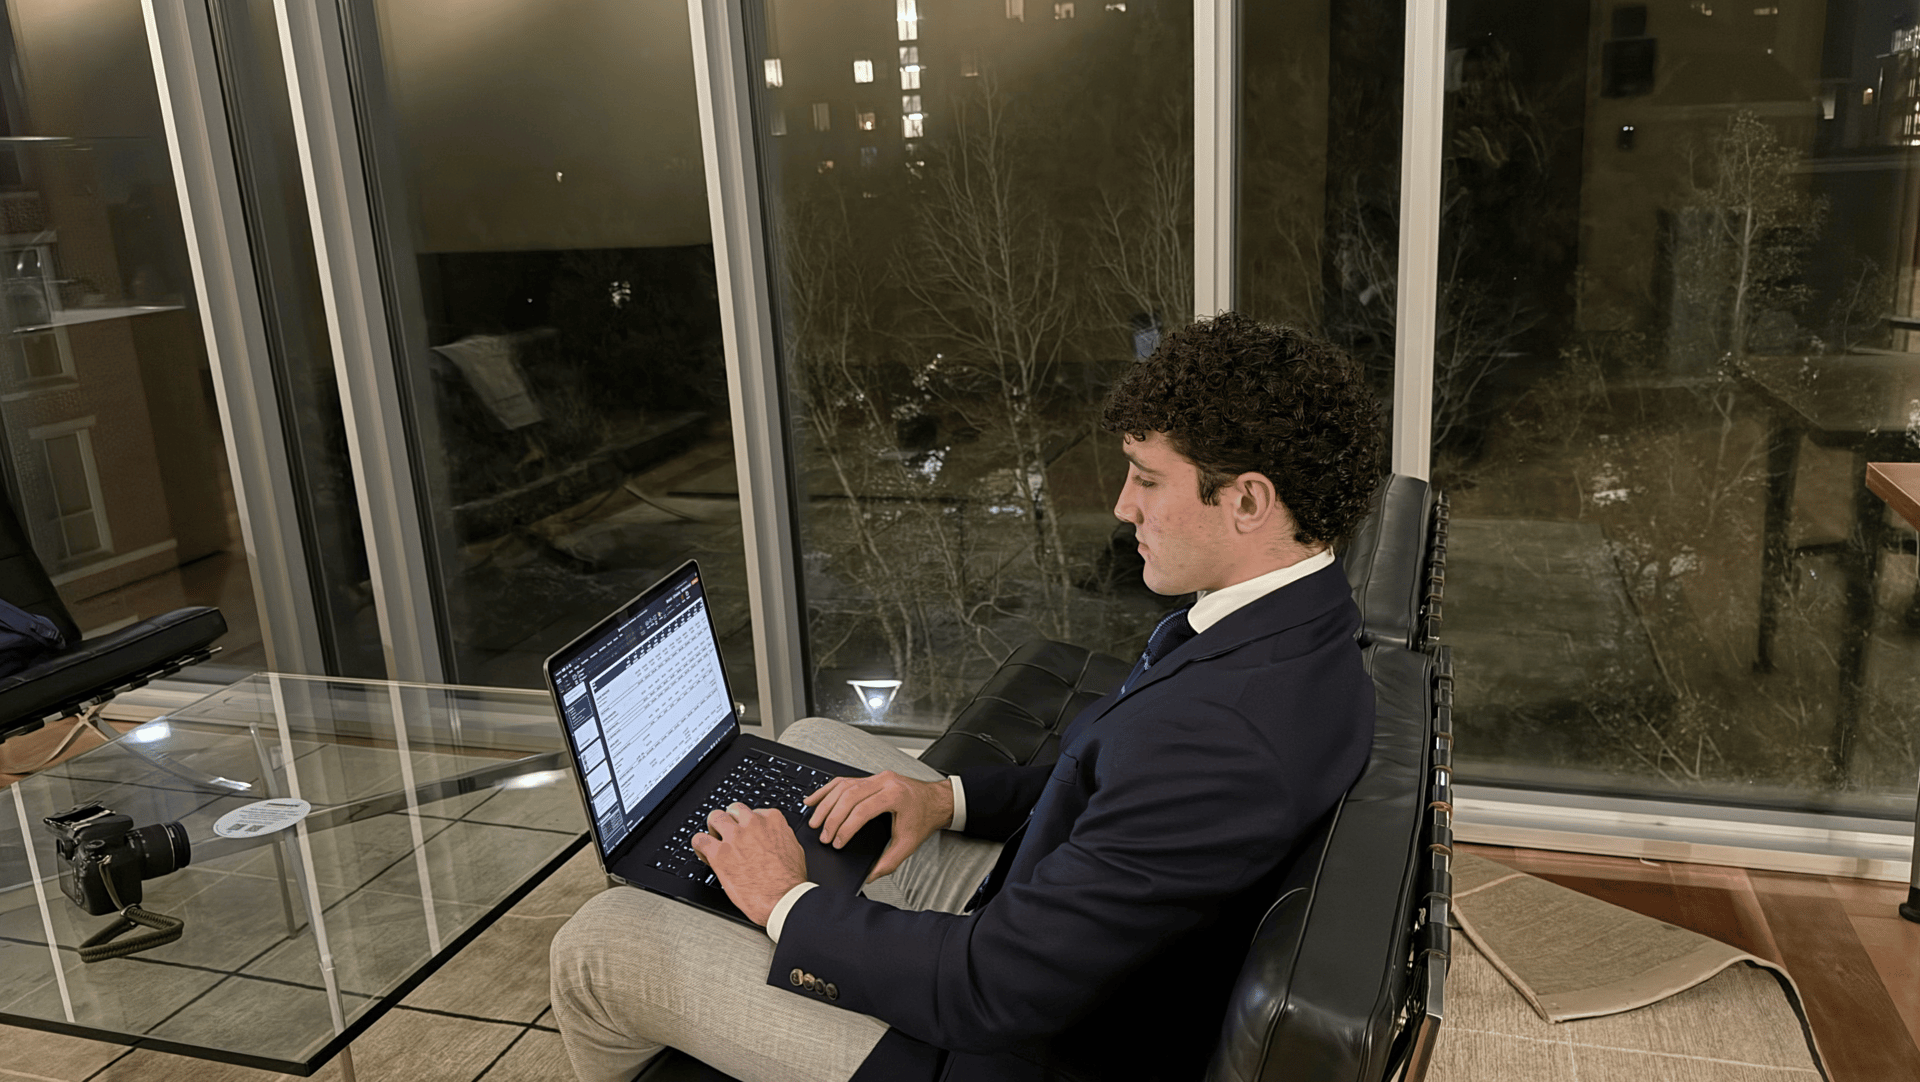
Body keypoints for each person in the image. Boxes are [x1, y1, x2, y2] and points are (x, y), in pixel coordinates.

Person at [550, 312, 1385, 1082]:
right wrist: (941, 798)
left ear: (1247, 500)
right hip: (1052, 927)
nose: (1123, 505)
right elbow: (1114, 779)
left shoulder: (1223, 736)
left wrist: (783, 901)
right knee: (814, 741)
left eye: (1147, 479)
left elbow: (993, 988)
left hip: (992, 1044)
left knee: (600, 944)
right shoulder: (1291, 627)